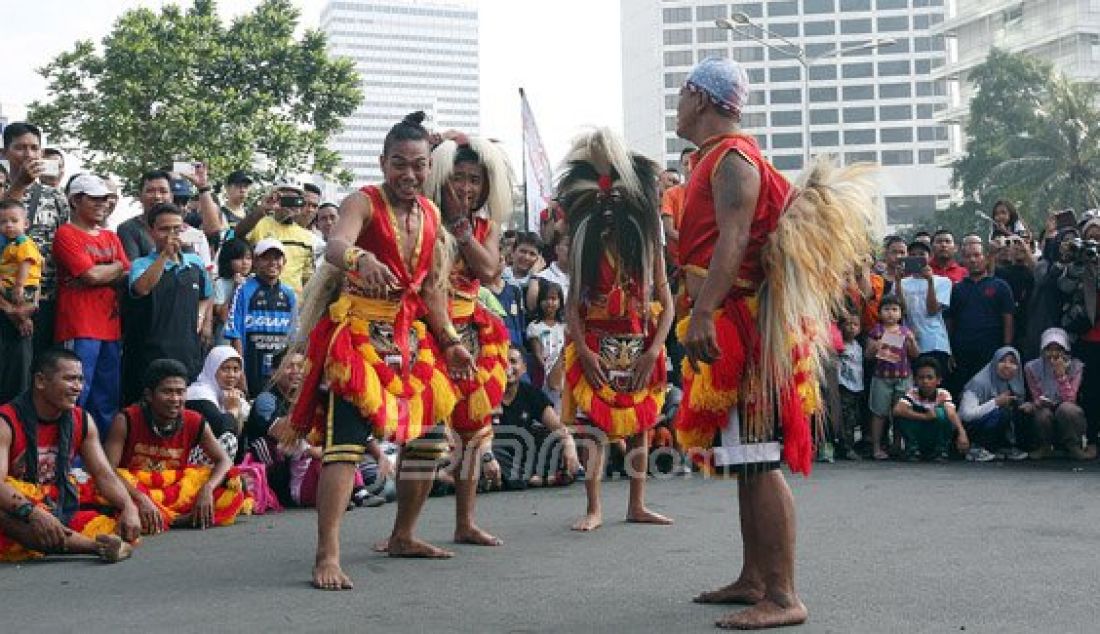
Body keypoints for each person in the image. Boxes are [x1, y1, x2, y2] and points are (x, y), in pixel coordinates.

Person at [674, 58, 875, 630]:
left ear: (702, 99)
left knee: (758, 458)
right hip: (732, 316)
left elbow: (733, 242)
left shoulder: (734, 160)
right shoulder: (715, 159)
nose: (678, 104)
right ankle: (754, 578)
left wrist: (706, 310)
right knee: (744, 459)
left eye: (684, 93)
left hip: (744, 322)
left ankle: (784, 595)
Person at [286, 112, 475, 590]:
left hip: (411, 338)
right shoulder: (363, 202)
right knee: (345, 446)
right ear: (382, 162)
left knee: (430, 440)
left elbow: (432, 289)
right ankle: (326, 553)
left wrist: (450, 341)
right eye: (399, 164)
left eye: (418, 165)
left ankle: (403, 535)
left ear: (429, 166)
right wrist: (360, 257)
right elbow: (334, 245)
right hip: (358, 337)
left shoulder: (432, 216)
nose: (409, 175)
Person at [556, 128, 675, 532]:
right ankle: (594, 507)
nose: (610, 206)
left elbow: (668, 303)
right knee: (595, 428)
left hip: (640, 342)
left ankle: (636, 504)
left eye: (618, 199)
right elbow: (573, 304)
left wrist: (654, 350)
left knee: (641, 426)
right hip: (596, 343)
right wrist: (584, 352)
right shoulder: (584, 241)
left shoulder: (648, 245)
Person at [424, 133, 514, 546]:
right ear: (441, 178)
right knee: (424, 434)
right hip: (426, 329)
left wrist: (463, 232)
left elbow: (490, 271)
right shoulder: (422, 215)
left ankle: (465, 522)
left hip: (472, 333)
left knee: (473, 431)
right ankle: (405, 529)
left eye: (474, 179)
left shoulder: (484, 226)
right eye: (458, 177)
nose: (466, 187)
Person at [0, 349, 140, 562]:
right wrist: (34, 513)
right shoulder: (6, 421)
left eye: (80, 379)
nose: (78, 387)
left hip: (55, 499)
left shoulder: (81, 419)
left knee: (115, 510)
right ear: (40, 381)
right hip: (16, 507)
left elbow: (103, 473)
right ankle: (95, 547)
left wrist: (129, 507)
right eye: (69, 379)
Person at [104, 359, 247, 532]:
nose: (175, 399)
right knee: (101, 492)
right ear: (149, 395)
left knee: (233, 487)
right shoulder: (126, 420)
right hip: (134, 490)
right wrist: (140, 498)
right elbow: (108, 471)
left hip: (174, 492)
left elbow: (224, 461)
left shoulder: (194, 420)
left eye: (180, 392)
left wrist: (207, 489)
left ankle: (164, 519)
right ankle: (177, 519)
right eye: (167, 392)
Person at [52, 174, 129, 433]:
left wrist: (105, 272)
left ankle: (101, 460)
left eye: (105, 199)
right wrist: (113, 269)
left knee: (106, 398)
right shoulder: (65, 233)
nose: (102, 204)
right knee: (75, 396)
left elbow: (126, 274)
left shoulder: (110, 236)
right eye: (95, 199)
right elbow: (91, 275)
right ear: (75, 200)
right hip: (79, 326)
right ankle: (68, 459)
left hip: (110, 327)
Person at [126, 202, 213, 399]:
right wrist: (165, 255)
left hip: (187, 353)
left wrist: (201, 317)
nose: (172, 234)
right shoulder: (140, 265)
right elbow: (142, 287)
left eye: (177, 228)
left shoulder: (195, 262)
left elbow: (207, 293)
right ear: (151, 231)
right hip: (150, 354)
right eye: (164, 229)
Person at [1, 123, 71, 357]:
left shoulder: (55, 196)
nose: (28, 154)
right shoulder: (3, 192)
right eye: (20, 147)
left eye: (34, 148)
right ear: (5, 153)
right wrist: (19, 184)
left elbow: (64, 246)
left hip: (45, 300)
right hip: (5, 300)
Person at [491, 346, 579, 489]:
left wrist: (569, 445)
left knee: (556, 441)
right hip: (497, 454)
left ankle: (523, 479)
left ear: (524, 368)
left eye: (513, 361)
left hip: (525, 458)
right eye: (503, 361)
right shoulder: (485, 394)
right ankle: (535, 479)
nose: (508, 366)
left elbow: (558, 428)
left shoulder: (531, 393)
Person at [224, 239, 297, 397]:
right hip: (252, 366)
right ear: (256, 261)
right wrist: (240, 373)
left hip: (279, 373)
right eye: (266, 258)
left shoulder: (289, 294)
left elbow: (294, 338)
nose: (272, 263)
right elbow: (234, 333)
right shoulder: (243, 290)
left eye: (277, 258)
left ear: (284, 262)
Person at [947, 241, 1015, 397]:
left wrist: (1007, 349)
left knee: (991, 395)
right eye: (968, 256)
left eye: (977, 255)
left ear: (985, 257)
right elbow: (950, 320)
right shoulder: (957, 289)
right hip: (962, 351)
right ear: (962, 261)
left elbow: (1008, 319)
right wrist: (949, 350)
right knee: (964, 394)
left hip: (992, 350)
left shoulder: (1000, 286)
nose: (973, 260)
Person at [232, 182, 318, 296]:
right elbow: (238, 234)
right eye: (285, 199)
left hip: (292, 301)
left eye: (294, 200)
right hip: (260, 296)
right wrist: (262, 209)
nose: (289, 205)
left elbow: (308, 277)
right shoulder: (260, 223)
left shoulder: (306, 236)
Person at [1025, 328, 1093, 460]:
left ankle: (1073, 446)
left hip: (1066, 409)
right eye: (1049, 349)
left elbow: (1070, 398)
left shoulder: (1076, 366)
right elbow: (1036, 395)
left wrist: (1061, 375)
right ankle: (1044, 446)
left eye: (1059, 349)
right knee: (1042, 414)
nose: (1054, 354)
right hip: (1045, 407)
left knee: (1067, 409)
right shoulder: (1032, 368)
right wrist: (1040, 402)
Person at [865, 296, 919, 460]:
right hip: (882, 377)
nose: (890, 313)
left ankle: (897, 445)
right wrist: (876, 345)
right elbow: (868, 356)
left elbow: (915, 355)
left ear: (901, 313)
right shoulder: (876, 331)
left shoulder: (905, 331)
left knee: (900, 413)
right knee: (879, 412)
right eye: (886, 309)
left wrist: (912, 341)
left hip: (903, 377)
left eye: (895, 309)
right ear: (880, 313)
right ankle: (876, 447)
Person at [0, 200, 43, 402]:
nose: (8, 225)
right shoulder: (9, 245)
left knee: (19, 380)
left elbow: (33, 276)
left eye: (13, 221)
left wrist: (26, 310)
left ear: (25, 223)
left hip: (20, 303)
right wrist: (12, 312)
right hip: (7, 311)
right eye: (3, 222)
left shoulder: (23, 243)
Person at [892, 356, 969, 462]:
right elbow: (897, 410)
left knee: (942, 413)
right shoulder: (912, 393)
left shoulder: (943, 394)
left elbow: (951, 413)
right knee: (902, 415)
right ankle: (913, 449)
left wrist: (962, 433)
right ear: (915, 380)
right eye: (921, 378)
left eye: (929, 377)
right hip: (918, 433)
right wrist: (924, 417)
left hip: (934, 434)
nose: (925, 381)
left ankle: (940, 450)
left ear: (938, 380)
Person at [958, 347, 1029, 461]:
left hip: (996, 424)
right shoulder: (980, 382)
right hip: (971, 426)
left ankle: (1002, 446)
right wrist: (995, 402)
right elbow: (966, 415)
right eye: (1002, 361)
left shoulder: (1015, 381)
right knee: (1001, 413)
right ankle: (975, 447)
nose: (1007, 365)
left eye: (1012, 362)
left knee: (1021, 411)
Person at [896, 240, 953, 376]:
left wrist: (930, 282)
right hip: (911, 342)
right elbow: (900, 311)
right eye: (913, 254)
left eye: (921, 254)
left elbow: (932, 310)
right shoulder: (901, 283)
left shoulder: (943, 281)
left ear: (930, 256)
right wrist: (897, 282)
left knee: (936, 385)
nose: (917, 257)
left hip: (935, 342)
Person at [186, 346, 249, 455]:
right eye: (225, 368)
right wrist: (233, 410)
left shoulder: (228, 394)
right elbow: (220, 430)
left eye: (236, 369)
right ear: (212, 368)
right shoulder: (199, 394)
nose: (232, 375)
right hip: (191, 459)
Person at [526, 281, 566, 404]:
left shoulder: (565, 327)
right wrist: (548, 371)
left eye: (554, 299)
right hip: (543, 372)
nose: (550, 302)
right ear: (540, 301)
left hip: (563, 372)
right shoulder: (534, 327)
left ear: (560, 302)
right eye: (546, 299)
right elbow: (538, 353)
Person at [835, 312, 864, 460]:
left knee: (853, 417)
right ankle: (846, 447)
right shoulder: (839, 345)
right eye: (848, 324)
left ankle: (848, 445)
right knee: (846, 418)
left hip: (856, 386)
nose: (851, 328)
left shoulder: (858, 346)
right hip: (844, 385)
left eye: (855, 325)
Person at [212, 238, 252, 346]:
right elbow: (224, 316)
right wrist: (236, 289)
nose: (245, 263)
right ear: (228, 260)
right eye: (239, 258)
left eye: (248, 258)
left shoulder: (254, 282)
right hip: (226, 337)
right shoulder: (220, 283)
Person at [526, 231, 570, 312]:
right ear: (556, 249)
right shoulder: (543, 277)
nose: (571, 249)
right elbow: (532, 307)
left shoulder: (581, 279)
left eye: (575, 246)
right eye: (568, 245)